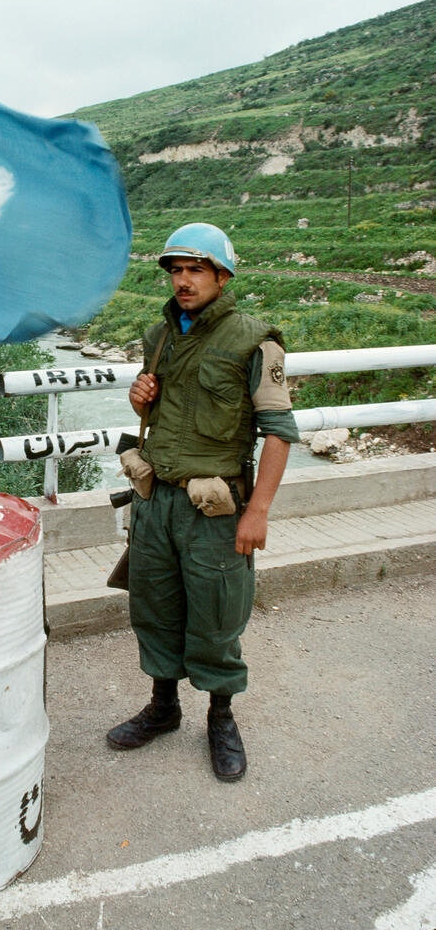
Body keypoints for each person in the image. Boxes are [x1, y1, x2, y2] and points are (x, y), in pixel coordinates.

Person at [107, 222, 299, 780]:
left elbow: (279, 433)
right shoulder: (159, 336)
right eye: (176, 271)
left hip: (213, 511)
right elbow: (161, 414)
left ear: (223, 275)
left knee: (216, 618)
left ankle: (221, 718)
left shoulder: (255, 341)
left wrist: (257, 512)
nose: (183, 281)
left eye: (195, 270)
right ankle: (163, 707)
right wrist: (139, 399)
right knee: (155, 608)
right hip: (155, 503)